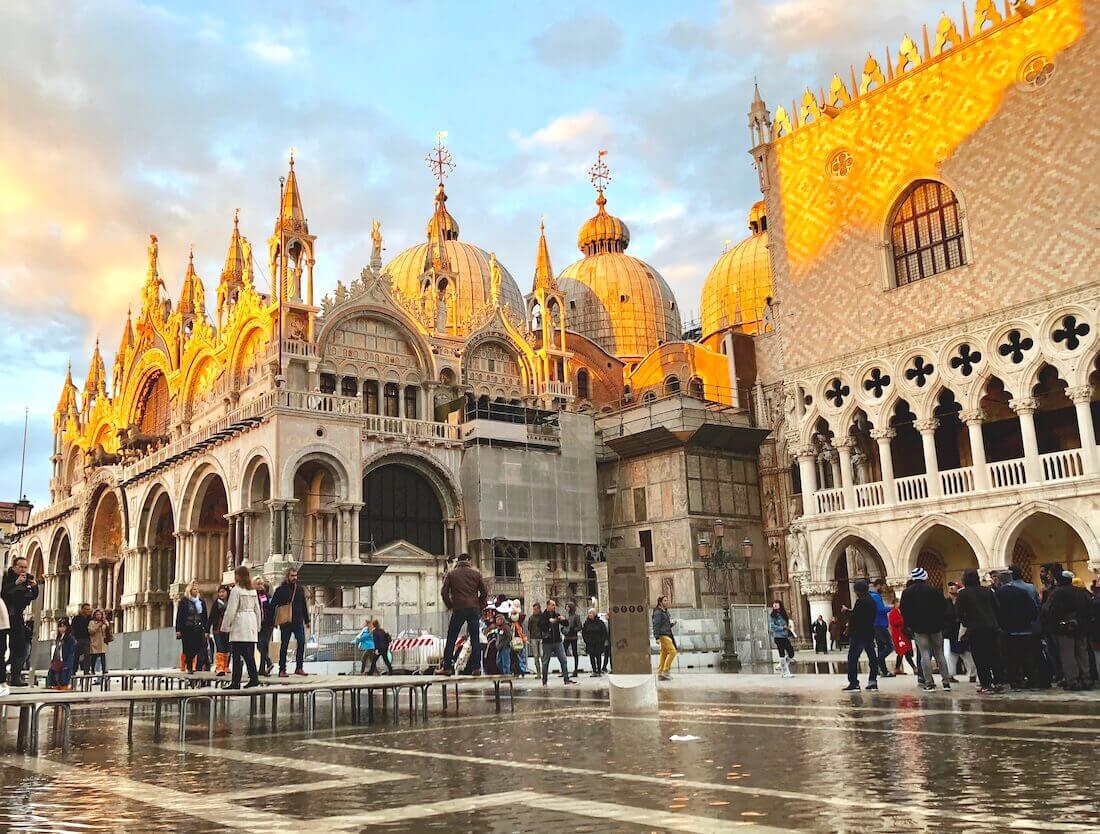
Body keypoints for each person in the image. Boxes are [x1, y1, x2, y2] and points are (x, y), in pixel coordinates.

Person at [900, 568, 952, 691]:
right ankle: (946, 682)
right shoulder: (934, 590)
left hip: (918, 627)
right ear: (925, 577)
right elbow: (944, 607)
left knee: (924, 654)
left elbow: (904, 610)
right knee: (939, 653)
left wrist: (910, 625)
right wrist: (941, 622)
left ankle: (929, 683)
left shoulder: (907, 592)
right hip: (935, 626)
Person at [955, 568, 1004, 693]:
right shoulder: (988, 591)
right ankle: (998, 681)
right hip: (992, 627)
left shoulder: (963, 594)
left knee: (980, 657)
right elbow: (998, 608)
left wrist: (967, 625)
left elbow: (959, 614)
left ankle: (986, 684)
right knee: (994, 655)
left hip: (975, 629)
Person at [1043, 570, 1093, 691]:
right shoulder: (1081, 592)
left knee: (1068, 655)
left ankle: (1073, 681)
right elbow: (1089, 609)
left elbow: (1049, 611)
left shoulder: (1057, 593)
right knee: (1082, 653)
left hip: (1064, 628)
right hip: (1081, 627)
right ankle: (1086, 679)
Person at [438, 553, 488, 676]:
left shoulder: (452, 574)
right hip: (473, 609)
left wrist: (450, 605)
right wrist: (479, 604)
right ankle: (476, 668)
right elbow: (484, 591)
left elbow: (444, 592)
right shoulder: (476, 573)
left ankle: (447, 667)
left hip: (459, 608)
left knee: (451, 638)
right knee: (475, 639)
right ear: (468, 560)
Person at [996, 568, 1042, 689]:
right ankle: (1032, 680)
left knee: (1012, 658)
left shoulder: (999, 593)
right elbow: (1034, 610)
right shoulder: (1022, 592)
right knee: (1027, 656)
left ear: (1001, 580)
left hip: (1009, 631)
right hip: (1026, 630)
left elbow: (997, 611)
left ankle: (1016, 682)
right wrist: (1028, 621)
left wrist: (1002, 625)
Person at [2, 555, 39, 687]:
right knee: (2, 646)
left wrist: (34, 586)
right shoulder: (5, 576)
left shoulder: (27, 578)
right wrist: (16, 583)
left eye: (25, 567)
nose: (23, 570)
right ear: (14, 567)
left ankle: (15, 676)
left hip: (17, 615)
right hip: (4, 613)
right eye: (21, 567)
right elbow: (3, 592)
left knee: (20, 646)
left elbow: (33, 596)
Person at [222, 565, 261, 689]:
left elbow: (231, 610)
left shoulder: (236, 590)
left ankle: (235, 682)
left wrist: (225, 626)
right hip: (251, 623)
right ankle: (254, 678)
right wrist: (258, 625)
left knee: (237, 655)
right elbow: (257, 610)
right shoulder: (253, 591)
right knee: (249, 654)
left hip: (240, 624)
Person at [271, 566, 311, 678]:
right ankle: (282, 669)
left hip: (298, 621)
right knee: (284, 645)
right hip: (286, 622)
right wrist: (273, 621)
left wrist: (307, 620)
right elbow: (273, 606)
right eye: (292, 575)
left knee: (301, 642)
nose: (294, 578)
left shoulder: (299, 589)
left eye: (295, 575)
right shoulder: (280, 590)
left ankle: (299, 667)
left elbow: (304, 605)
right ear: (287, 576)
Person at [842, 579, 879, 691]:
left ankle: (854, 682)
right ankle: (872, 681)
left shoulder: (860, 601)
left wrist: (846, 612)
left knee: (853, 658)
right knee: (872, 658)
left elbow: (855, 617)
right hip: (869, 633)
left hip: (858, 634)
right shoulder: (872, 601)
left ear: (859, 591)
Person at [175, 580, 209, 674]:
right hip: (187, 628)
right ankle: (189, 666)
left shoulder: (201, 601)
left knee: (199, 647)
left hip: (198, 627)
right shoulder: (184, 601)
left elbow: (204, 616)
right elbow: (180, 616)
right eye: (194, 589)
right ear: (190, 590)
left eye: (197, 589)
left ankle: (196, 664)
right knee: (188, 648)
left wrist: (206, 629)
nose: (196, 591)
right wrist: (178, 629)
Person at [538, 600, 574, 685]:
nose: (554, 607)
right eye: (552, 605)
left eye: (555, 605)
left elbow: (566, 624)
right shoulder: (543, 616)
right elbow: (540, 625)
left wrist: (563, 619)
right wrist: (548, 622)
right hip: (547, 642)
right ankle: (544, 680)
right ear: (548, 606)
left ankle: (566, 679)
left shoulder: (556, 615)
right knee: (545, 661)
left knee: (563, 660)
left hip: (557, 641)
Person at [869, 579, 895, 677]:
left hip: (874, 624)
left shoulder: (870, 595)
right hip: (880, 624)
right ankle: (877, 661)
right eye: (883, 586)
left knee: (880, 647)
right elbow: (880, 610)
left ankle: (884, 670)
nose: (884, 589)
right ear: (879, 585)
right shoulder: (876, 597)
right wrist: (891, 607)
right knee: (889, 646)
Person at [45, 619, 77, 690]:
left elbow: (71, 653)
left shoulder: (70, 639)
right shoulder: (58, 638)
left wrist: (68, 664)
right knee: (53, 680)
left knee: (63, 682)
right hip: (57, 661)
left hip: (65, 662)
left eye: (64, 626)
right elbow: (56, 650)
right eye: (60, 626)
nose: (62, 629)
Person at [887, 599, 918, 675]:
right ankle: (914, 667)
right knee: (904, 651)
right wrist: (902, 620)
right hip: (898, 634)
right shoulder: (893, 612)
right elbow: (893, 623)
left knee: (902, 652)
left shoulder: (900, 611)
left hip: (903, 634)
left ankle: (897, 668)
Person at [652, 595, 677, 681]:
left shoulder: (665, 612)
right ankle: (665, 671)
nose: (667, 602)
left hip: (667, 634)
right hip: (663, 635)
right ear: (660, 602)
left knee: (664, 654)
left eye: (667, 600)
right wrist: (657, 637)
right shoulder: (658, 613)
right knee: (673, 652)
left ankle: (660, 673)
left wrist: (672, 624)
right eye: (665, 600)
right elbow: (656, 625)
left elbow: (665, 625)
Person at [769, 601, 795, 678]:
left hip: (785, 636)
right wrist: (782, 628)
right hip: (778, 636)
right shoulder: (772, 616)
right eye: (774, 605)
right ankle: (785, 672)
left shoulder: (784, 615)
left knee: (791, 652)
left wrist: (788, 628)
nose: (775, 606)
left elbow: (787, 624)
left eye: (776, 604)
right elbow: (772, 626)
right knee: (782, 654)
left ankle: (781, 665)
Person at [254, 577, 274, 676]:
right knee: (259, 645)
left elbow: (270, 609)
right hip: (256, 624)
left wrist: (272, 622)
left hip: (266, 624)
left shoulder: (266, 596)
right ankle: (268, 661)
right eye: (258, 584)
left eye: (261, 584)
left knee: (264, 645)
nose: (260, 586)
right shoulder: (253, 595)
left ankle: (263, 668)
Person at [210, 585, 231, 675]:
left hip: (228, 629)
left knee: (227, 648)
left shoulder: (230, 602)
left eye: (223, 592)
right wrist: (207, 630)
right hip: (217, 629)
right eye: (220, 592)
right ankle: (219, 667)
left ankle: (226, 666)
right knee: (220, 648)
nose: (222, 594)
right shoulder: (216, 603)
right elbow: (211, 617)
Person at [582, 608, 608, 676]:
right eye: (589, 613)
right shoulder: (587, 623)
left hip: (598, 643)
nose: (589, 615)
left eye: (591, 613)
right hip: (590, 643)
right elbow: (584, 632)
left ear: (594, 614)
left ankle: (599, 670)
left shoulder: (600, 622)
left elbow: (604, 632)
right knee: (591, 657)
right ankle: (594, 670)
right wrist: (586, 640)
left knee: (598, 656)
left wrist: (602, 640)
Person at [563, 602, 583, 677]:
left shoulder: (576, 616)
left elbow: (579, 626)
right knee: (563, 653)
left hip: (573, 637)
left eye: (567, 607)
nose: (566, 608)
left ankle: (575, 670)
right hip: (566, 636)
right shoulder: (566, 616)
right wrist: (563, 629)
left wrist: (573, 630)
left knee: (575, 653)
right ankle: (564, 670)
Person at [87, 608, 109, 675]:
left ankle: (104, 669)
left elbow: (108, 629)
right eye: (97, 614)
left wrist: (106, 624)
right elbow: (91, 631)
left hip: (102, 641)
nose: (98, 616)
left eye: (100, 614)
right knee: (94, 656)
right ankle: (92, 669)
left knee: (103, 655)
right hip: (94, 641)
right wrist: (98, 625)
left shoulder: (104, 622)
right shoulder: (92, 622)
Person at [510, 607, 529, 677]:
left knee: (521, 657)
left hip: (519, 641)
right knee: (514, 658)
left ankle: (522, 670)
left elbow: (523, 615)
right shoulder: (511, 623)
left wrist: (517, 611)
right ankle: (516, 671)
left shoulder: (518, 622)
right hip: (513, 642)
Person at [527, 603, 544, 674]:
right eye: (534, 609)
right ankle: (538, 672)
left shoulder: (542, 617)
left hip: (541, 637)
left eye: (536, 609)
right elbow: (529, 628)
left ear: (539, 609)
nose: (535, 611)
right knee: (536, 656)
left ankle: (544, 671)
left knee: (542, 655)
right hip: (534, 638)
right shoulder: (531, 618)